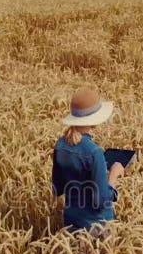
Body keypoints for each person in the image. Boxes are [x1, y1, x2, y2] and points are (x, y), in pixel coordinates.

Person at [52, 88, 125, 236]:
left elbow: (57, 188)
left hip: (71, 223)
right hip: (98, 227)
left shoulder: (60, 145)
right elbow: (101, 201)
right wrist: (113, 175)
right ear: (95, 119)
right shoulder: (94, 152)